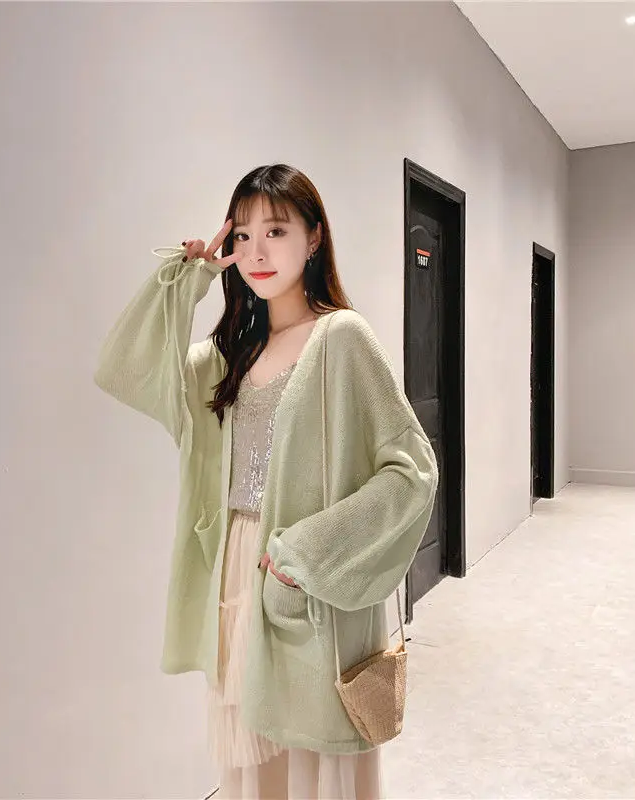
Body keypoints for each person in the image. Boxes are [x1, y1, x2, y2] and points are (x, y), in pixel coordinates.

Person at [94, 164, 439, 799]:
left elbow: (412, 472)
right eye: (243, 235)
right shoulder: (230, 353)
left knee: (313, 747)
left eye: (276, 231)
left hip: (303, 572)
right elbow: (126, 369)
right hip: (234, 568)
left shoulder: (342, 337)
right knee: (253, 761)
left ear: (314, 238)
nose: (256, 252)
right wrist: (187, 282)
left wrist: (306, 553)